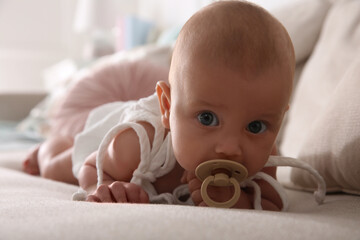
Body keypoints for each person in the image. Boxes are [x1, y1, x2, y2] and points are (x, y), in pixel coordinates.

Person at [23, 1, 295, 211]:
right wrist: (105, 185)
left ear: (278, 121)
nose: (230, 148)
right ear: (167, 106)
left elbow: (272, 203)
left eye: (255, 126)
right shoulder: (140, 141)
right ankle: (47, 147)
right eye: (207, 118)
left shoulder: (264, 156)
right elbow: (92, 165)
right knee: (57, 166)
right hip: (109, 134)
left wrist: (240, 203)